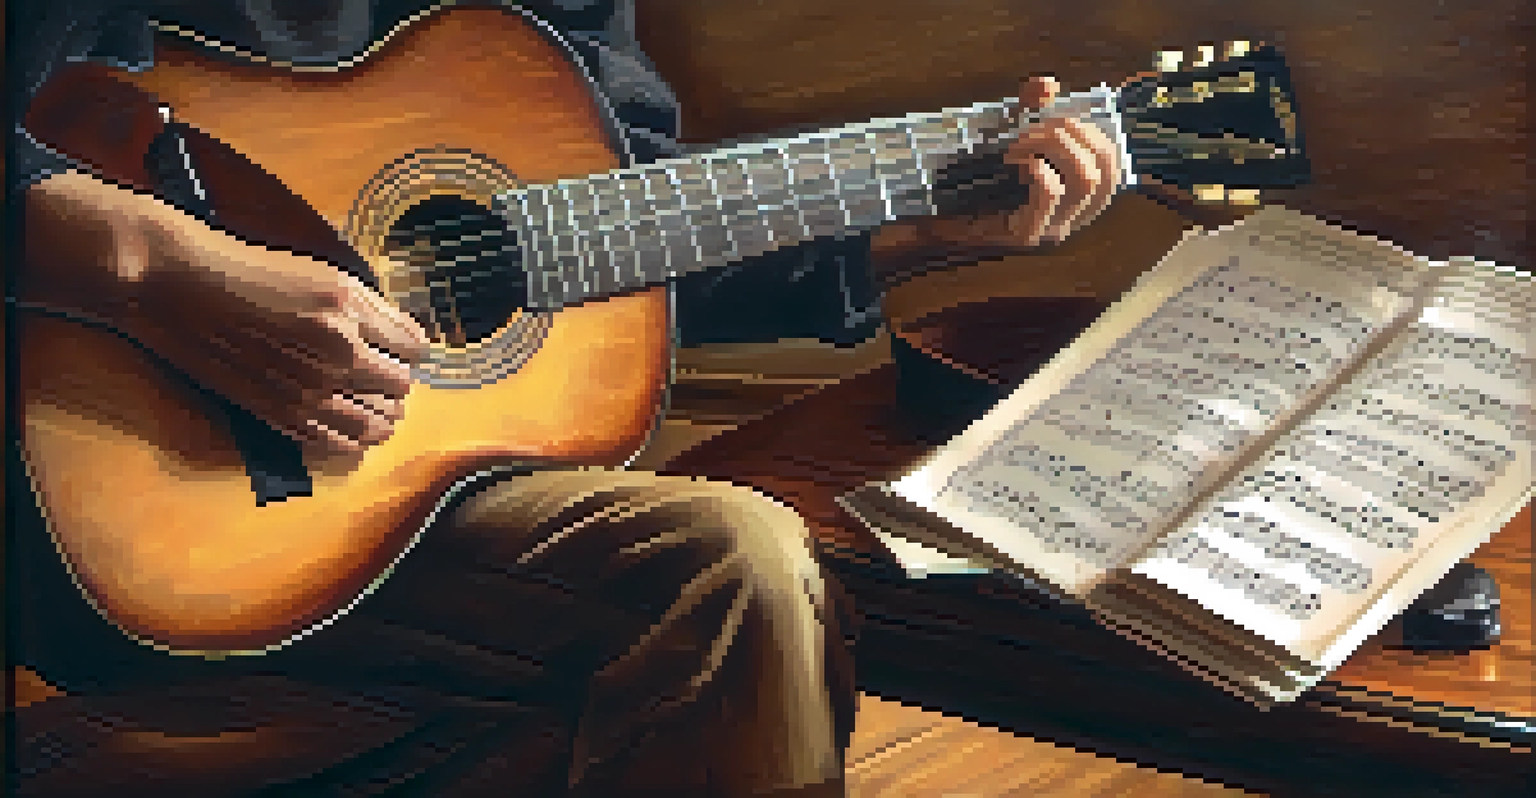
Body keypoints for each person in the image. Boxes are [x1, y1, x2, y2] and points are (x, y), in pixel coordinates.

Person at [7, 1, 1123, 795]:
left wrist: (920, 228)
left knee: (738, 564)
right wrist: (151, 272)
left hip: (367, 493)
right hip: (77, 488)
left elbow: (616, 233)